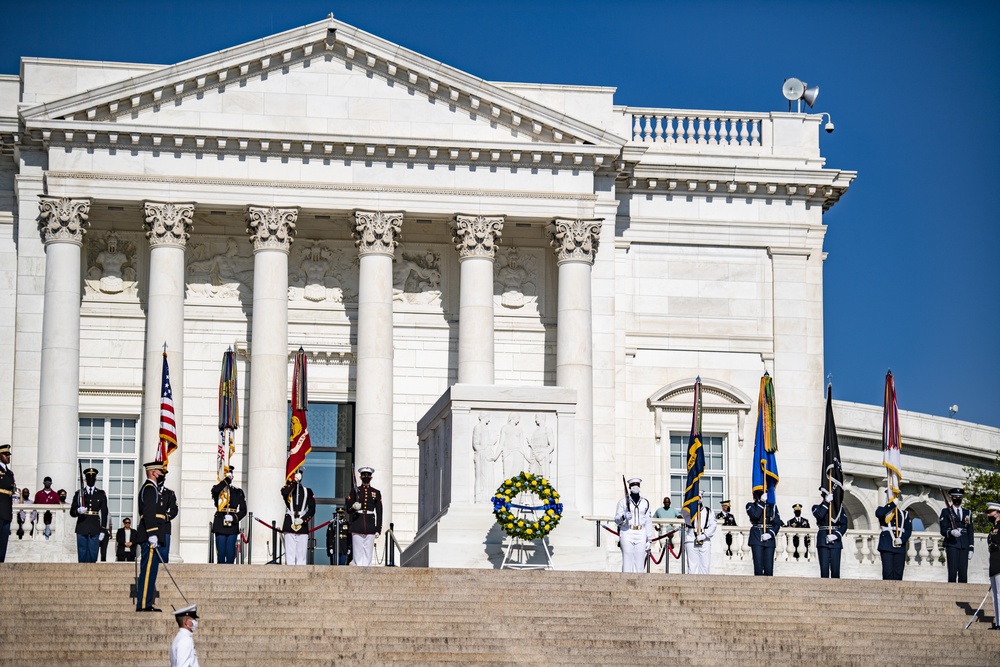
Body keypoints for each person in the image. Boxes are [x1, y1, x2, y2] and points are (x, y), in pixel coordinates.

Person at [135, 461, 168, 612]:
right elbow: (148, 513)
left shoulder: (154, 489)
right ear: (154, 472)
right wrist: (152, 534)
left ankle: (147, 602)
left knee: (152, 571)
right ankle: (143, 604)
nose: (162, 475)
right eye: (161, 472)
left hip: (155, 535)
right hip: (150, 536)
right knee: (148, 571)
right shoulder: (149, 489)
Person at [69, 467, 109, 563]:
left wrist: (103, 529)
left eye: (93, 478)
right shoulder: (79, 493)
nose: (91, 480)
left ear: (95, 480)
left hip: (95, 527)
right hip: (82, 525)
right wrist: (78, 511)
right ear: (85, 480)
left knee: (93, 553)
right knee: (82, 554)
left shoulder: (100, 494)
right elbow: (72, 512)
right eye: (88, 478)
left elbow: (104, 512)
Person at [614, 477, 653, 573]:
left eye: (637, 485)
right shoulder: (623, 502)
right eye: (633, 485)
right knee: (627, 559)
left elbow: (648, 521)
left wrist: (649, 539)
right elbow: (616, 519)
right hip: (628, 531)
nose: (635, 487)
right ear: (629, 487)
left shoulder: (645, 502)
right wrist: (623, 517)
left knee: (639, 562)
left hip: (641, 532)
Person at [346, 466, 382, 566]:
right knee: (357, 551)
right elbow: (348, 509)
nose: (366, 477)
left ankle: (367, 570)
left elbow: (379, 512)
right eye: (364, 475)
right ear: (360, 477)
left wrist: (378, 529)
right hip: (357, 523)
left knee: (368, 552)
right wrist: (353, 507)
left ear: (371, 478)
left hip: (370, 524)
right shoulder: (354, 491)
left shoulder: (376, 492)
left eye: (368, 475)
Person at [211, 466, 247, 564]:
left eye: (230, 475)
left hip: (232, 525)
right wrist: (225, 481)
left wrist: (234, 518)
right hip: (220, 523)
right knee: (221, 554)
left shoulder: (238, 492)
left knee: (231, 554)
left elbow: (243, 510)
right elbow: (215, 490)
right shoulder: (218, 490)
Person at [280, 468, 316, 565]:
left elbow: (312, 509)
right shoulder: (287, 490)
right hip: (289, 523)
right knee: (290, 555)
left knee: (301, 556)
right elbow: (285, 492)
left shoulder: (308, 491)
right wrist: (294, 482)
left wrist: (303, 520)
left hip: (302, 524)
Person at [939, 487, 974, 583]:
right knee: (952, 572)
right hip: (952, 544)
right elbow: (942, 530)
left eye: (959, 497)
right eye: (955, 497)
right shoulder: (946, 511)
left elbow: (970, 530)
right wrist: (951, 532)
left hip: (964, 544)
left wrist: (971, 547)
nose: (957, 499)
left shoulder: (968, 512)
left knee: (963, 573)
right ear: (951, 498)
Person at [875, 492, 913, 581]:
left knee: (898, 573)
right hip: (887, 545)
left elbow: (908, 530)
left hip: (900, 546)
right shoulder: (883, 511)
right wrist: (892, 504)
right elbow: (879, 514)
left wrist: (902, 539)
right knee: (888, 572)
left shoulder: (904, 514)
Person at [812, 489, 848, 578]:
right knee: (824, 570)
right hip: (823, 540)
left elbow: (844, 524)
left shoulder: (839, 510)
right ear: (822, 495)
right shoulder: (816, 507)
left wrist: (836, 535)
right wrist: (826, 502)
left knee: (835, 571)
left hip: (835, 541)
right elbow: (820, 515)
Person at [746, 489, 781, 576]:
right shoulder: (750, 505)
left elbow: (777, 523)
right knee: (758, 568)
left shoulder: (772, 507)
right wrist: (761, 502)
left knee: (769, 570)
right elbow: (755, 516)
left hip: (769, 538)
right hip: (757, 536)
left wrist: (771, 534)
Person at [682, 501, 718, 574]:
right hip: (691, 538)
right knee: (692, 565)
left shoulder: (709, 511)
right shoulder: (688, 511)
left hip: (705, 539)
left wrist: (705, 535)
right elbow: (684, 513)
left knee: (705, 564)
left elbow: (713, 526)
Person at [985, 502, 1000, 631]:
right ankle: (998, 622)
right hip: (994, 562)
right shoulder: (993, 528)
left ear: (998, 513)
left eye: (991, 512)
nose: (989, 515)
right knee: (995, 595)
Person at [159, 470, 179, 561]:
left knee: (164, 553)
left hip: (164, 525)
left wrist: (166, 517)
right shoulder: (151, 490)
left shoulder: (170, 493)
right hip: (153, 525)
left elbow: (174, 509)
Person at [0, 444, 15, 562]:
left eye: (8, 455)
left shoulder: (10, 473)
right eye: (5, 455)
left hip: (6, 510)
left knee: (4, 539)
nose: (8, 457)